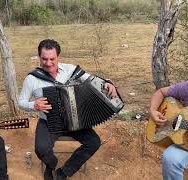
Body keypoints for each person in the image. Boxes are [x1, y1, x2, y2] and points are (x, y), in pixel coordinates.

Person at [18, 39, 118, 180]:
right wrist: (33, 105)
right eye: (44, 59)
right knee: (41, 150)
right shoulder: (32, 78)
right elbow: (21, 102)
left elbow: (93, 80)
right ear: (39, 56)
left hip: (75, 121)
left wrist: (107, 83)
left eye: (52, 59)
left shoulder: (71, 70)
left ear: (58, 56)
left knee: (93, 142)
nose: (48, 63)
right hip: (48, 121)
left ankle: (63, 173)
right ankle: (51, 165)